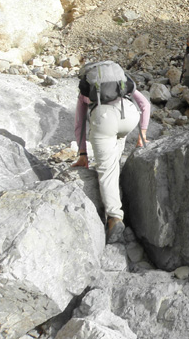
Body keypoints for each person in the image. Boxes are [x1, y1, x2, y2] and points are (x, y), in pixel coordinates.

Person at [72, 62, 151, 243]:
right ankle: (118, 194)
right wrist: (143, 133)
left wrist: (83, 153)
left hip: (104, 119)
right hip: (129, 115)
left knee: (106, 170)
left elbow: (79, 123)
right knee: (113, 158)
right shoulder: (120, 82)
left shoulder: (87, 88)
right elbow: (144, 104)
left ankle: (114, 218)